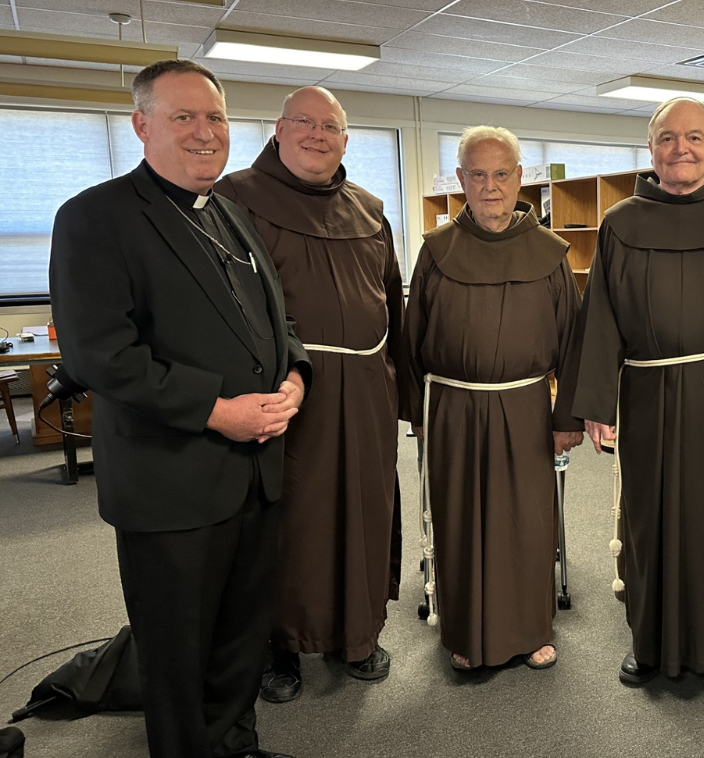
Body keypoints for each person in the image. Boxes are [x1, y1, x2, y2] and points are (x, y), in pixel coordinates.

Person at [48, 60, 310, 758]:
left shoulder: (229, 212)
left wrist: (295, 377)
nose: (204, 133)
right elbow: (98, 355)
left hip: (255, 471)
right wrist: (217, 411)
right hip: (171, 478)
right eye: (183, 117)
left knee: (239, 635)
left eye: (216, 117)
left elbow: (276, 322)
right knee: (177, 649)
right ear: (141, 125)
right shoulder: (93, 218)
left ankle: (236, 745)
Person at [564, 97, 704, 701]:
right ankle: (651, 642)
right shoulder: (620, 221)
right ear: (651, 148)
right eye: (668, 137)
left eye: (694, 137)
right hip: (648, 392)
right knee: (649, 518)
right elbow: (602, 320)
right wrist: (595, 406)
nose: (681, 148)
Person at [215, 86, 406, 702]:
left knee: (365, 511)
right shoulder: (234, 198)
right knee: (290, 521)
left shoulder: (371, 208)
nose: (317, 135)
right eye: (304, 122)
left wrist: (406, 395)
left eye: (331, 126)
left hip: (369, 391)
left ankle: (359, 636)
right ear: (277, 128)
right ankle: (282, 647)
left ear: (346, 140)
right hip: (287, 395)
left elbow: (393, 304)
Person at [401, 125, 584, 672]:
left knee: (528, 522)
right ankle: (466, 632)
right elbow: (413, 340)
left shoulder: (550, 255)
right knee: (460, 519)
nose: (490, 187)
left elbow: (572, 344)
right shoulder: (436, 252)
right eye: (477, 175)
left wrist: (567, 415)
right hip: (453, 409)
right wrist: (419, 416)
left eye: (501, 174)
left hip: (526, 408)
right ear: (460, 180)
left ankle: (531, 631)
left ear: (519, 177)